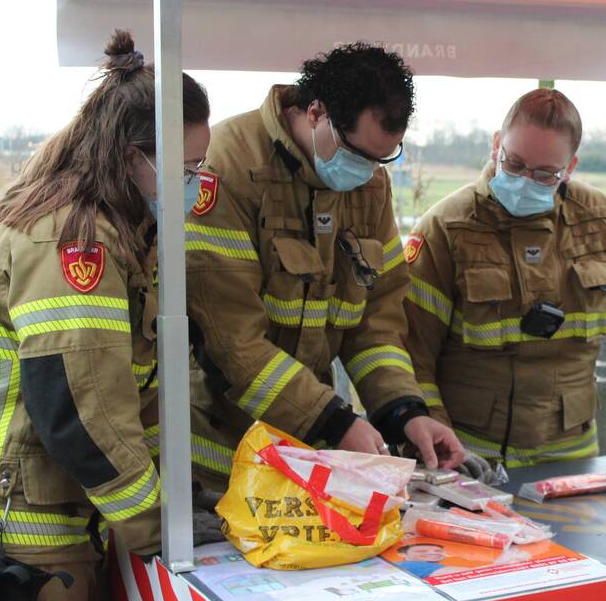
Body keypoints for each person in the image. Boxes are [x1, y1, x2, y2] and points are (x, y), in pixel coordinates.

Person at [0, 30, 210, 601]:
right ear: (132, 158)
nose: (195, 184)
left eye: (201, 167)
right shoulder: (76, 243)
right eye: (185, 169)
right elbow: (81, 410)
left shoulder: (110, 231)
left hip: (54, 528)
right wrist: (161, 530)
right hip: (22, 543)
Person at [186, 43, 464, 490]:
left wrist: (404, 412)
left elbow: (377, 324)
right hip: (219, 457)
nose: (369, 171)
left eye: (382, 159)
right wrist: (333, 421)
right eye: (358, 155)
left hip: (307, 453)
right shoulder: (227, 165)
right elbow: (229, 339)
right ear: (316, 112)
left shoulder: (370, 187)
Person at [403, 88, 606, 481]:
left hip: (574, 460)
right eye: (515, 163)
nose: (525, 181)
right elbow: (412, 354)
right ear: (496, 145)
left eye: (544, 174)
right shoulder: (447, 228)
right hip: (470, 459)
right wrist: (438, 443)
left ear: (570, 166)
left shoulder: (602, 223)